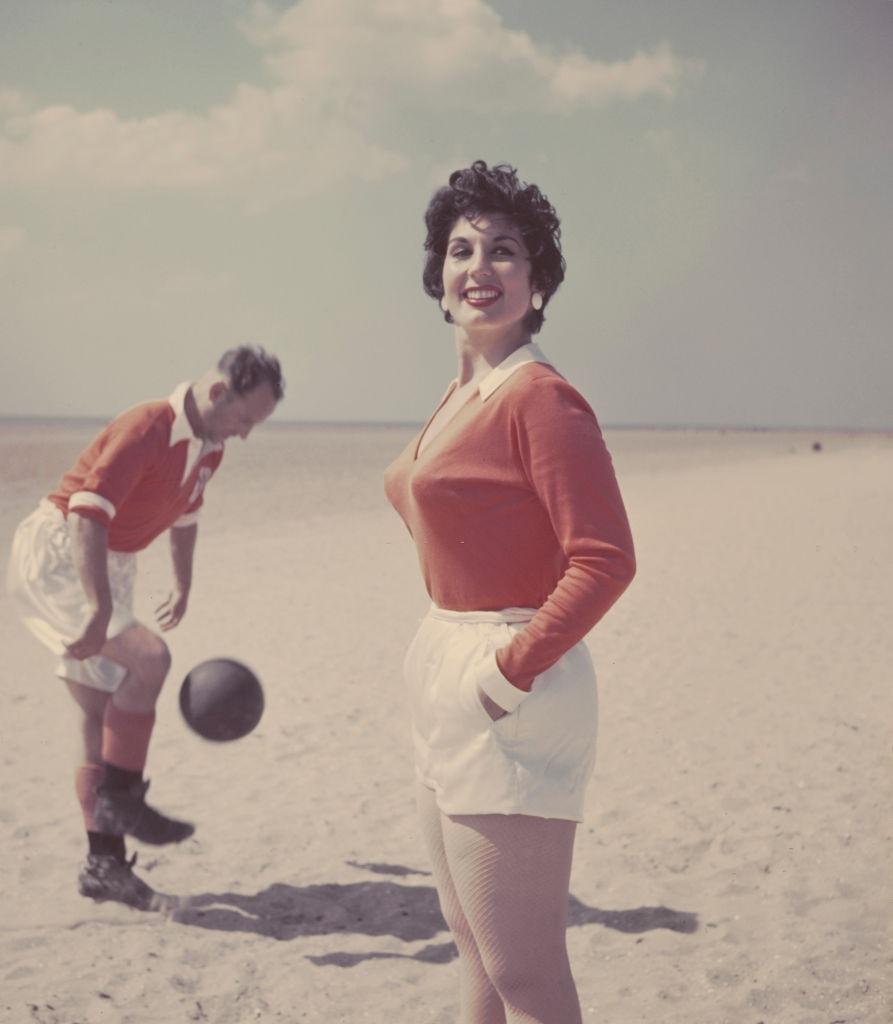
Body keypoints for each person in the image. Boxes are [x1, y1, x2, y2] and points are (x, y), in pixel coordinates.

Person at [383, 162, 635, 1023]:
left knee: (525, 973)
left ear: (538, 283)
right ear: (437, 278)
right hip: (448, 663)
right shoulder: (464, 392)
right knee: (477, 956)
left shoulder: (541, 398)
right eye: (459, 250)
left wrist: (506, 672)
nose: (477, 267)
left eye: (504, 251)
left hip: (509, 683)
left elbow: (602, 561)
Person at [8, 345, 284, 910]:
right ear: (216, 392)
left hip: (111, 561)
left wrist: (183, 583)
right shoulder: (147, 425)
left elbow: (185, 516)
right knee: (151, 660)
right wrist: (99, 607)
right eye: (244, 419)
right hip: (62, 552)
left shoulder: (209, 449)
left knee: (101, 711)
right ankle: (125, 799)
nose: (246, 434)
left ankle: (102, 864)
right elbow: (87, 511)